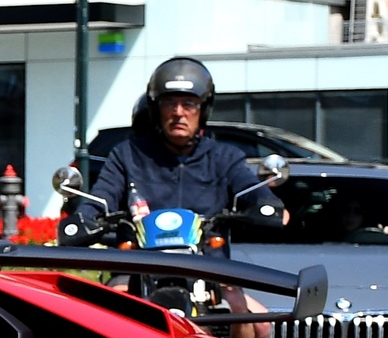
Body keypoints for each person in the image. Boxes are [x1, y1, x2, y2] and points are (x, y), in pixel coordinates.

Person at [70, 58, 261, 226]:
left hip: (205, 262)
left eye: (189, 103)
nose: (178, 112)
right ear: (155, 109)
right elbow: (102, 196)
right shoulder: (127, 155)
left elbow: (249, 188)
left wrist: (266, 203)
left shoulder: (225, 158)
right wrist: (85, 218)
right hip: (144, 261)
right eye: (169, 103)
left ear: (203, 110)